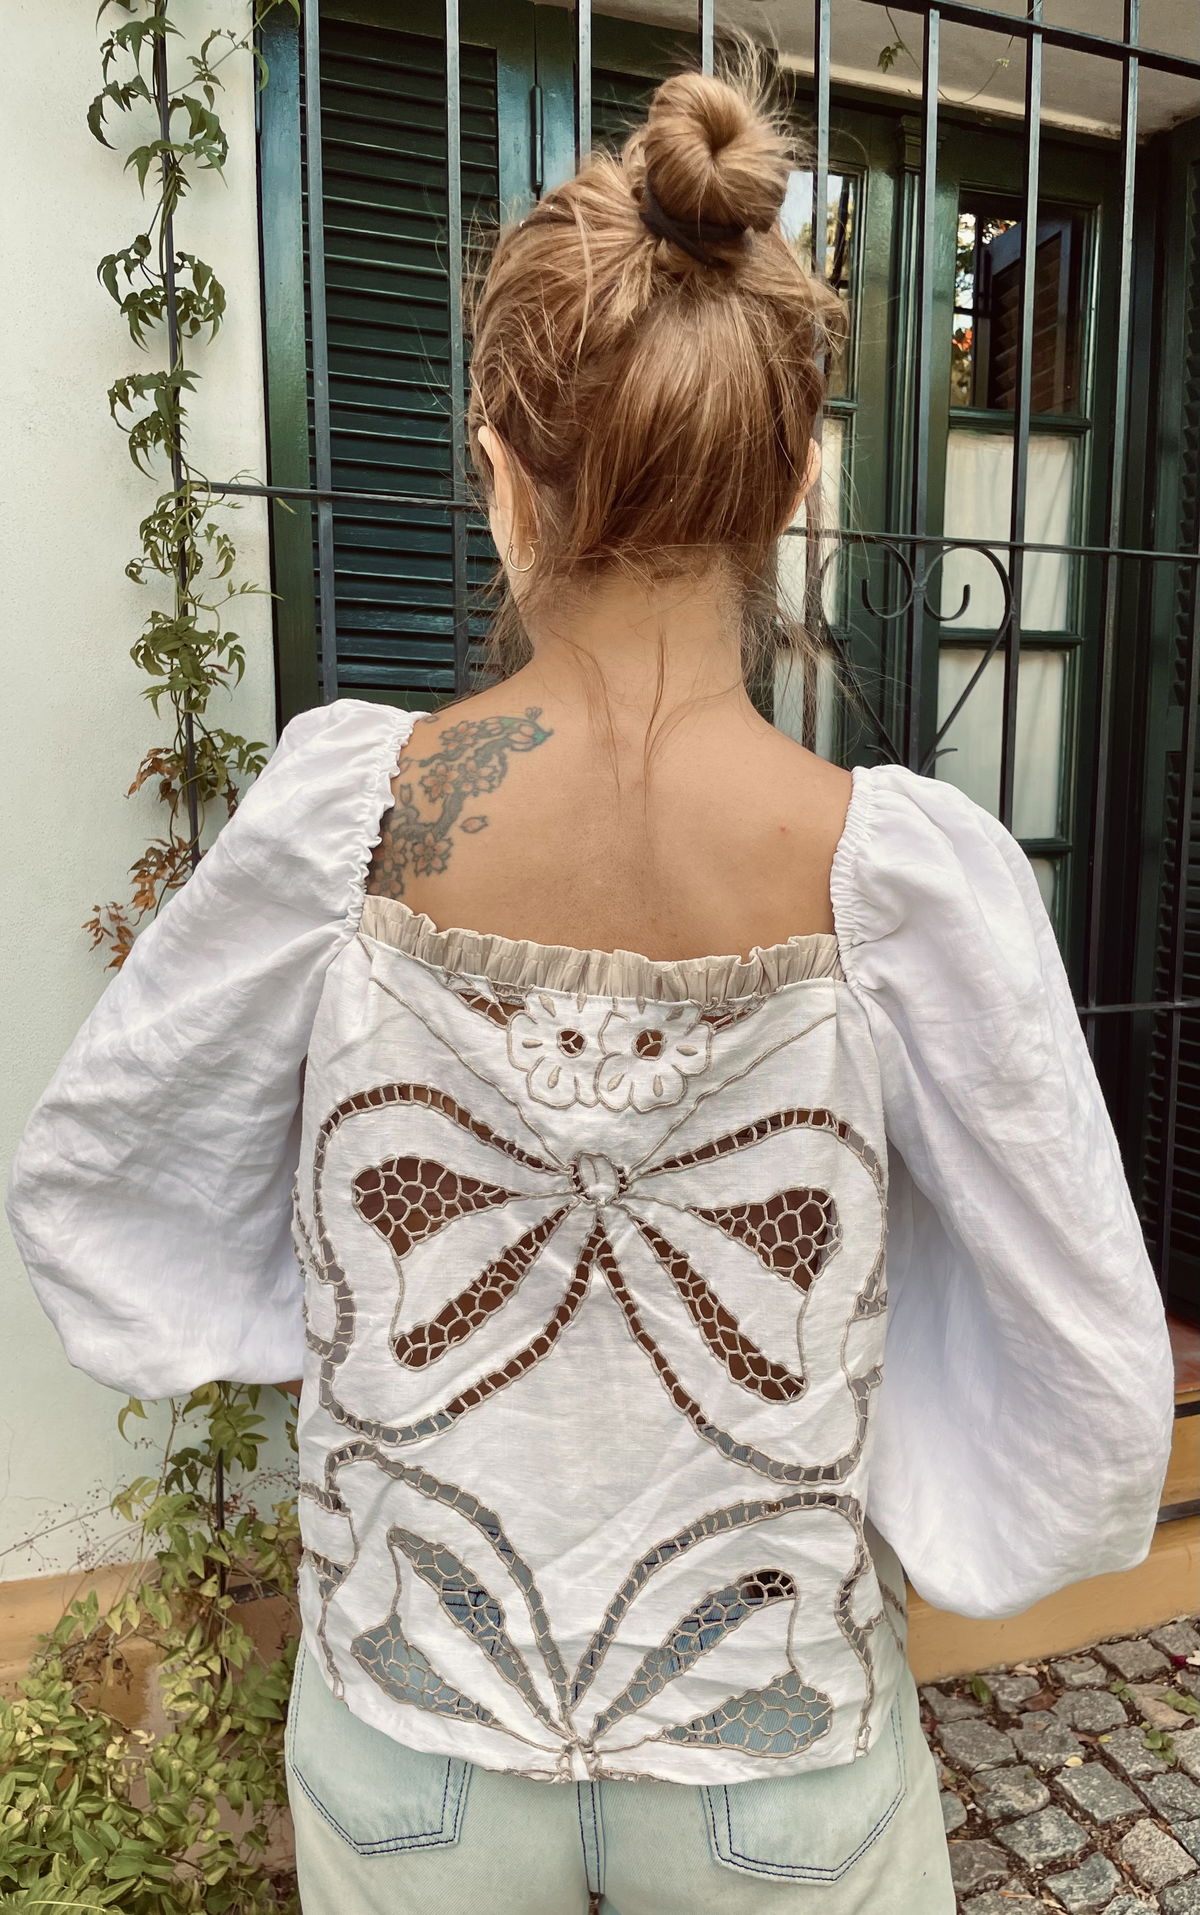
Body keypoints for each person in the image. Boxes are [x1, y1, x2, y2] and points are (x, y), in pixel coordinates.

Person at [7, 64, 1174, 1915]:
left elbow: (111, 1181)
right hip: (776, 1735)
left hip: (412, 1720)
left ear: (498, 464)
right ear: (800, 481)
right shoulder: (904, 878)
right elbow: (1086, 1351)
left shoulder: (351, 820)